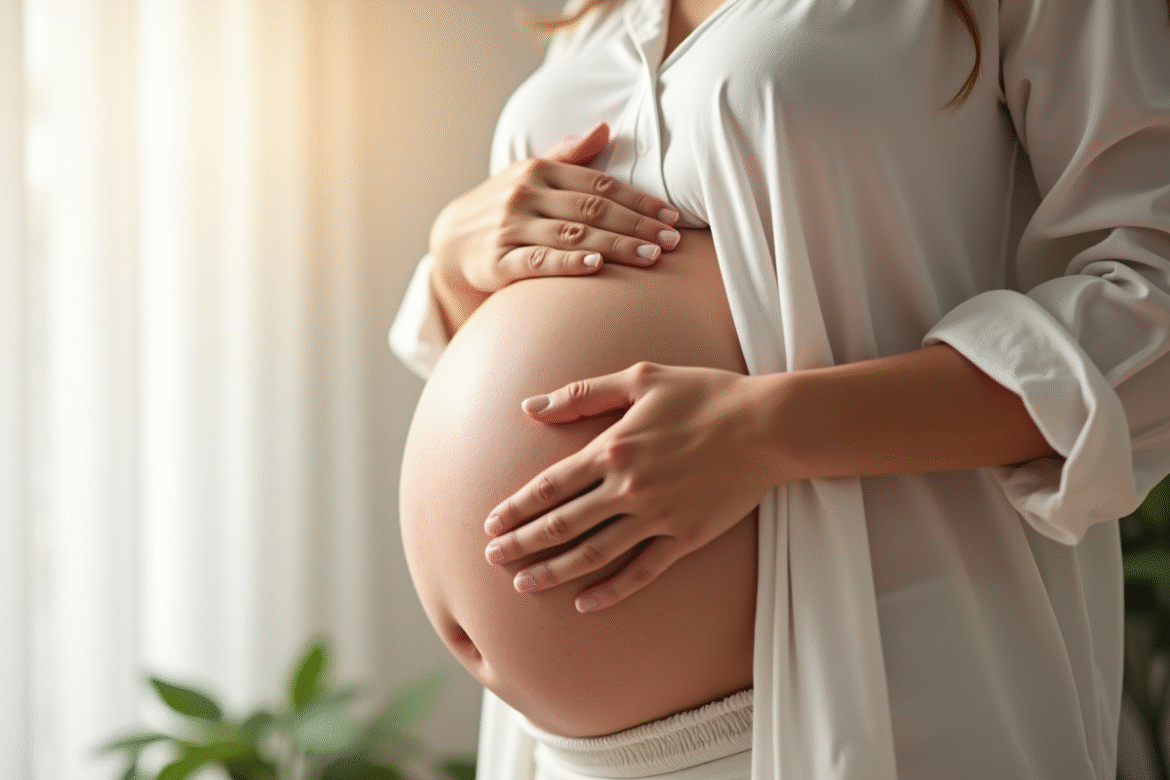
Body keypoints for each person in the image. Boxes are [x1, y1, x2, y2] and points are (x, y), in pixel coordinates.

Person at [390, 0, 1170, 779]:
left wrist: (768, 431)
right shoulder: (596, 17)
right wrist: (455, 262)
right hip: (559, 747)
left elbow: (1151, 304)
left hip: (879, 685)